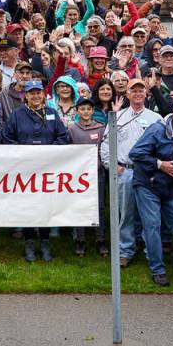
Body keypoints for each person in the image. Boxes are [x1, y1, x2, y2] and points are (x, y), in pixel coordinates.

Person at [128, 101, 173, 287]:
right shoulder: (157, 130)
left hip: (171, 188)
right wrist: (160, 165)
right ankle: (158, 270)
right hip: (147, 186)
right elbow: (135, 153)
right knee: (152, 227)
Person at [2, 80, 70, 262]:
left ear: (43, 94)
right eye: (31, 92)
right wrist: (23, 153)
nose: (35, 96)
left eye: (38, 92)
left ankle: (45, 241)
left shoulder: (52, 113)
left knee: (46, 206)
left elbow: (63, 137)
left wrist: (49, 152)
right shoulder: (17, 114)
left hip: (47, 169)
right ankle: (29, 242)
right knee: (28, 207)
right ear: (26, 95)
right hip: (25, 170)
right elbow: (7, 138)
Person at [99, 81, 161, 267]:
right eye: (133, 90)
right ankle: (125, 250)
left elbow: (162, 146)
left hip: (147, 172)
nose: (137, 93)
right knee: (125, 214)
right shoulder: (117, 117)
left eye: (141, 90)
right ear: (127, 93)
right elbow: (105, 144)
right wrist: (112, 165)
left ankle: (150, 251)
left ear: (146, 93)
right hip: (125, 171)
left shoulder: (155, 118)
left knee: (149, 216)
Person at [66, 96, 107, 256]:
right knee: (79, 205)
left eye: (88, 109)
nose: (85, 112)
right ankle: (80, 240)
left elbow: (104, 149)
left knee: (99, 206)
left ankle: (100, 239)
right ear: (77, 111)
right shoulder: (72, 129)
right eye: (82, 109)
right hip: (79, 175)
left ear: (92, 111)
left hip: (98, 172)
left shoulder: (101, 128)